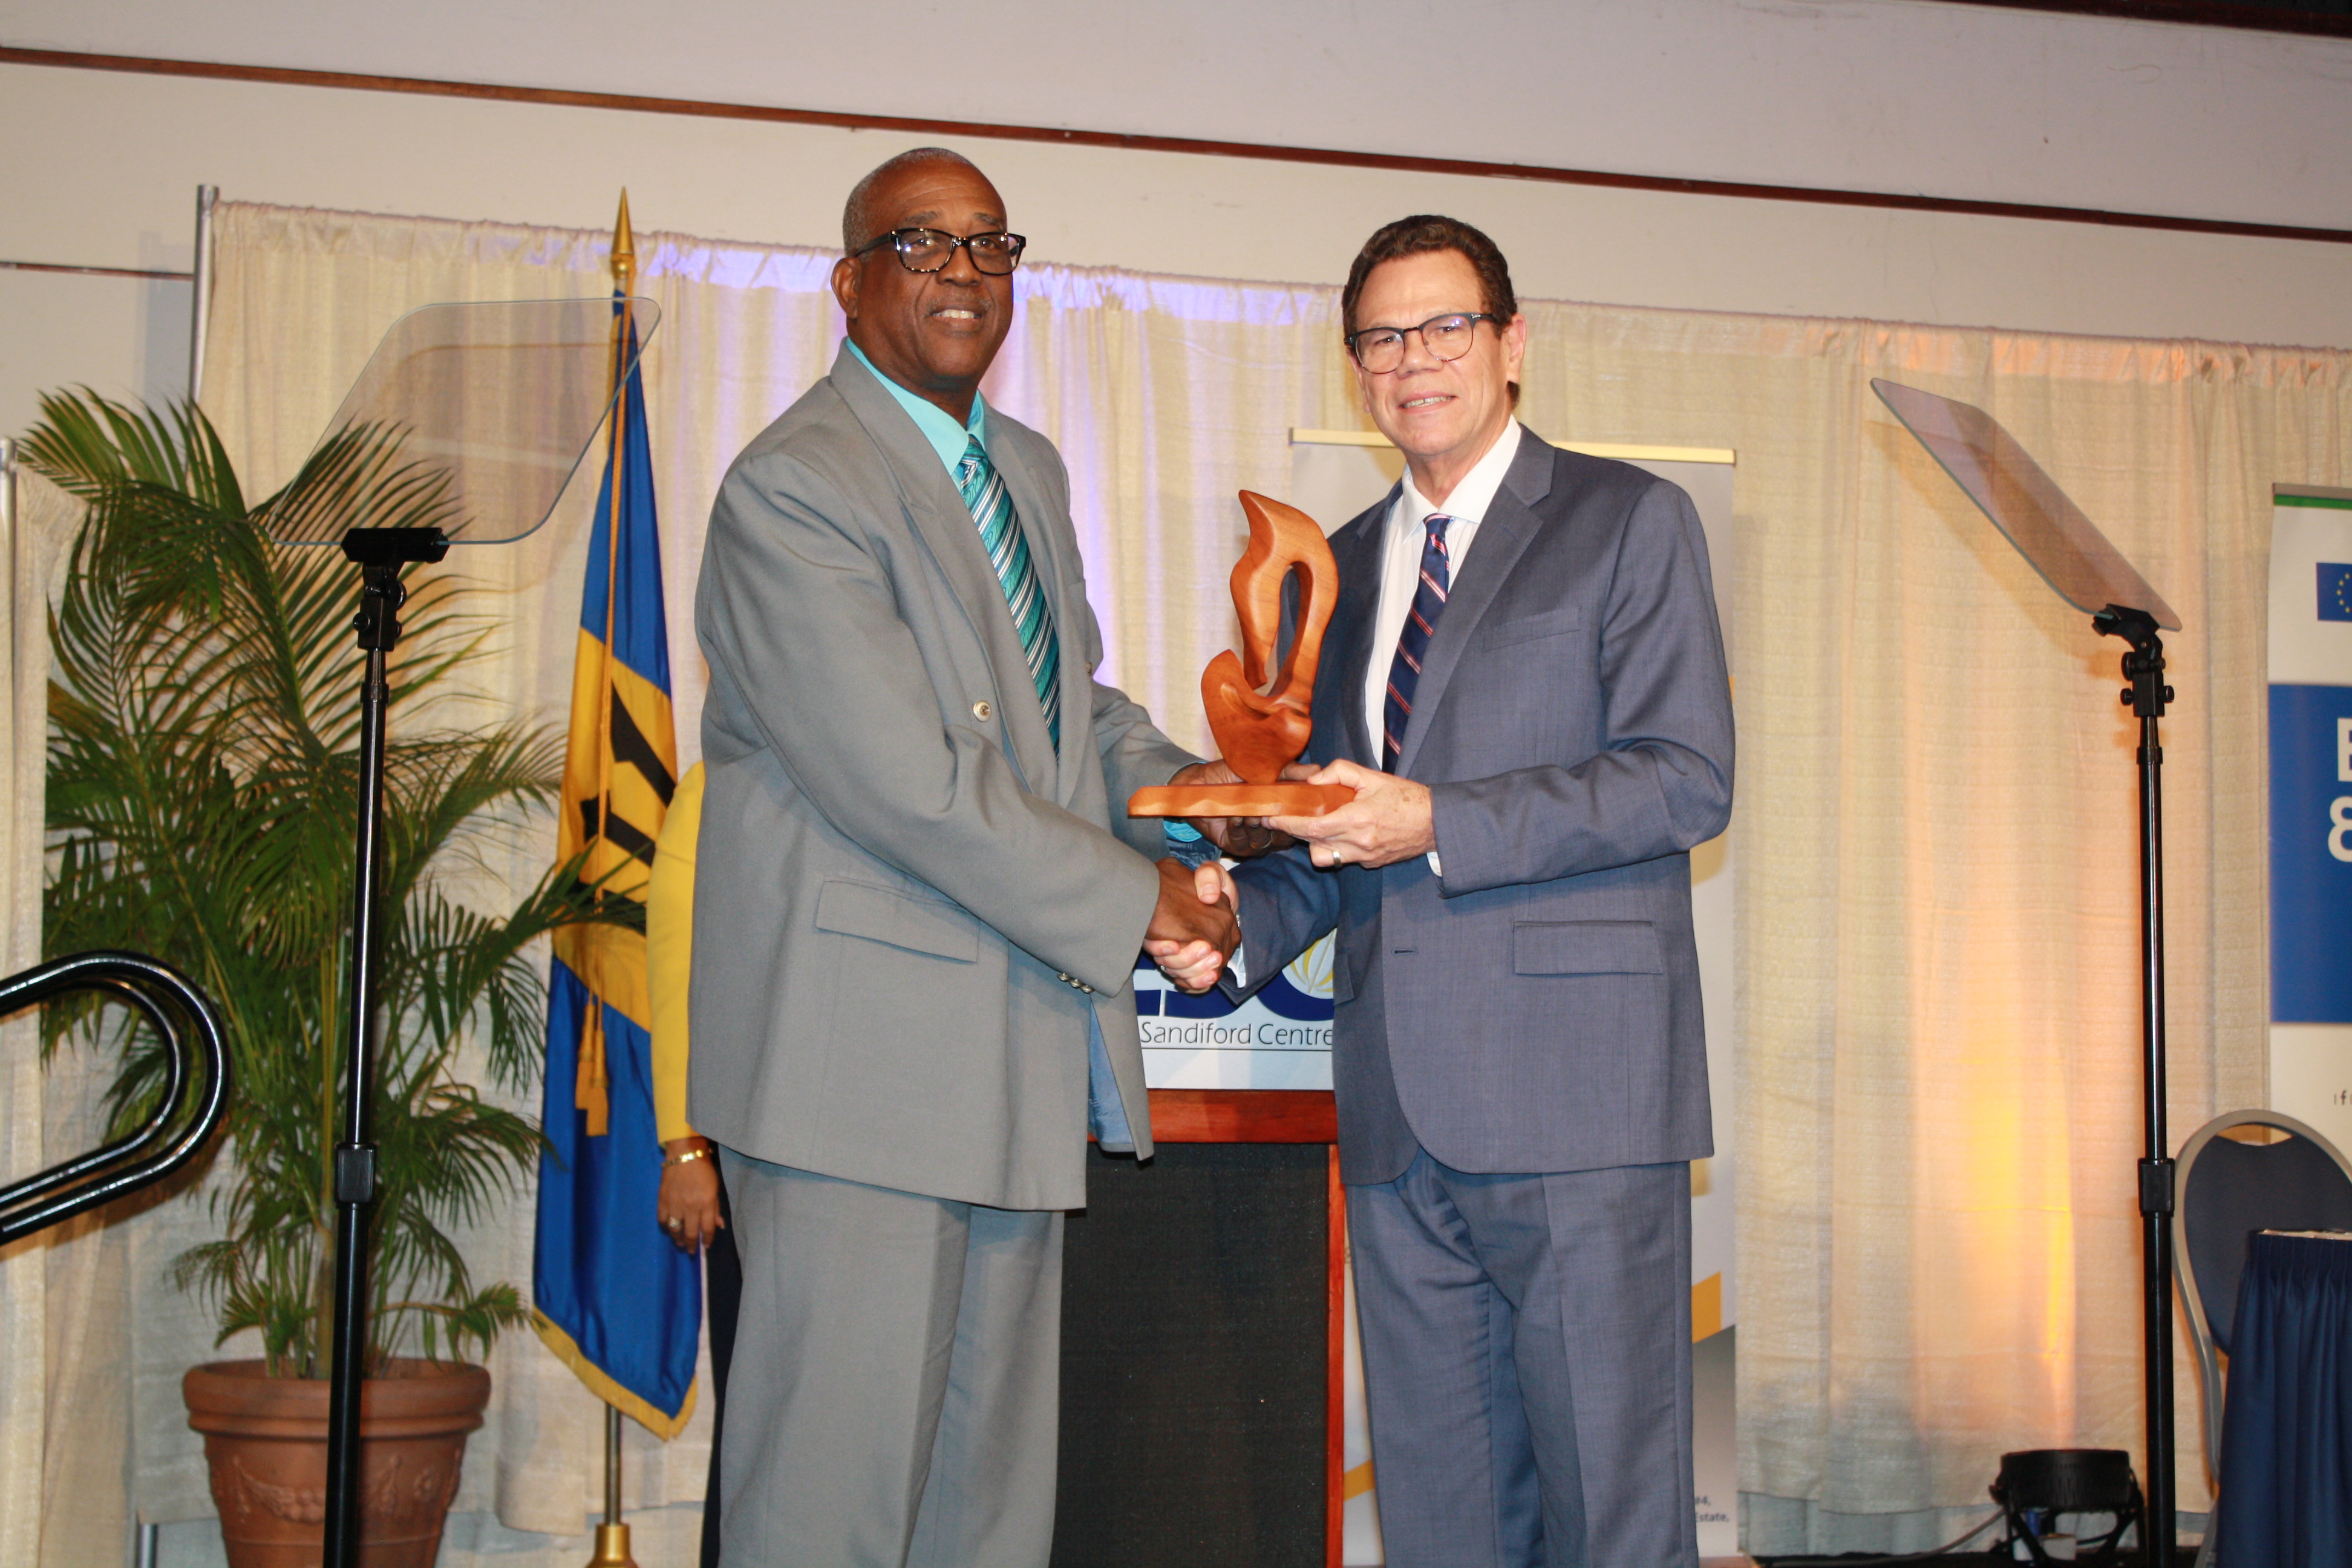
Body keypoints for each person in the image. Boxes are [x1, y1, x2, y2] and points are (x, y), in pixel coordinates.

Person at [690, 147, 1241, 1566]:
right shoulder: (793, 489)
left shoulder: (1028, 471)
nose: (962, 271)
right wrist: (1142, 905)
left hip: (1011, 1055)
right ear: (849, 282)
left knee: (984, 1517)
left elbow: (1068, 719)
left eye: (989, 245)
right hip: (854, 1081)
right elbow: (913, 785)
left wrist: (1207, 798)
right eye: (920, 243)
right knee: (828, 1509)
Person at [1157, 215, 1733, 1566]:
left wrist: (1441, 819)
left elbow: (1684, 778)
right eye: (1382, 338)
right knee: (1443, 1522)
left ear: (1512, 342)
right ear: (1355, 366)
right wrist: (1237, 923)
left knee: (1612, 1515)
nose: (1414, 360)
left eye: (1445, 328)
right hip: (1400, 1115)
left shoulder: (1629, 520)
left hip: (1582, 1104)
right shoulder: (1340, 565)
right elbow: (1334, 826)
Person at [645, 761, 739, 1568]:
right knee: (759, 1413)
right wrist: (686, 1143)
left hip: (899, 1146)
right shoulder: (717, 785)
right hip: (750, 1149)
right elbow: (678, 964)